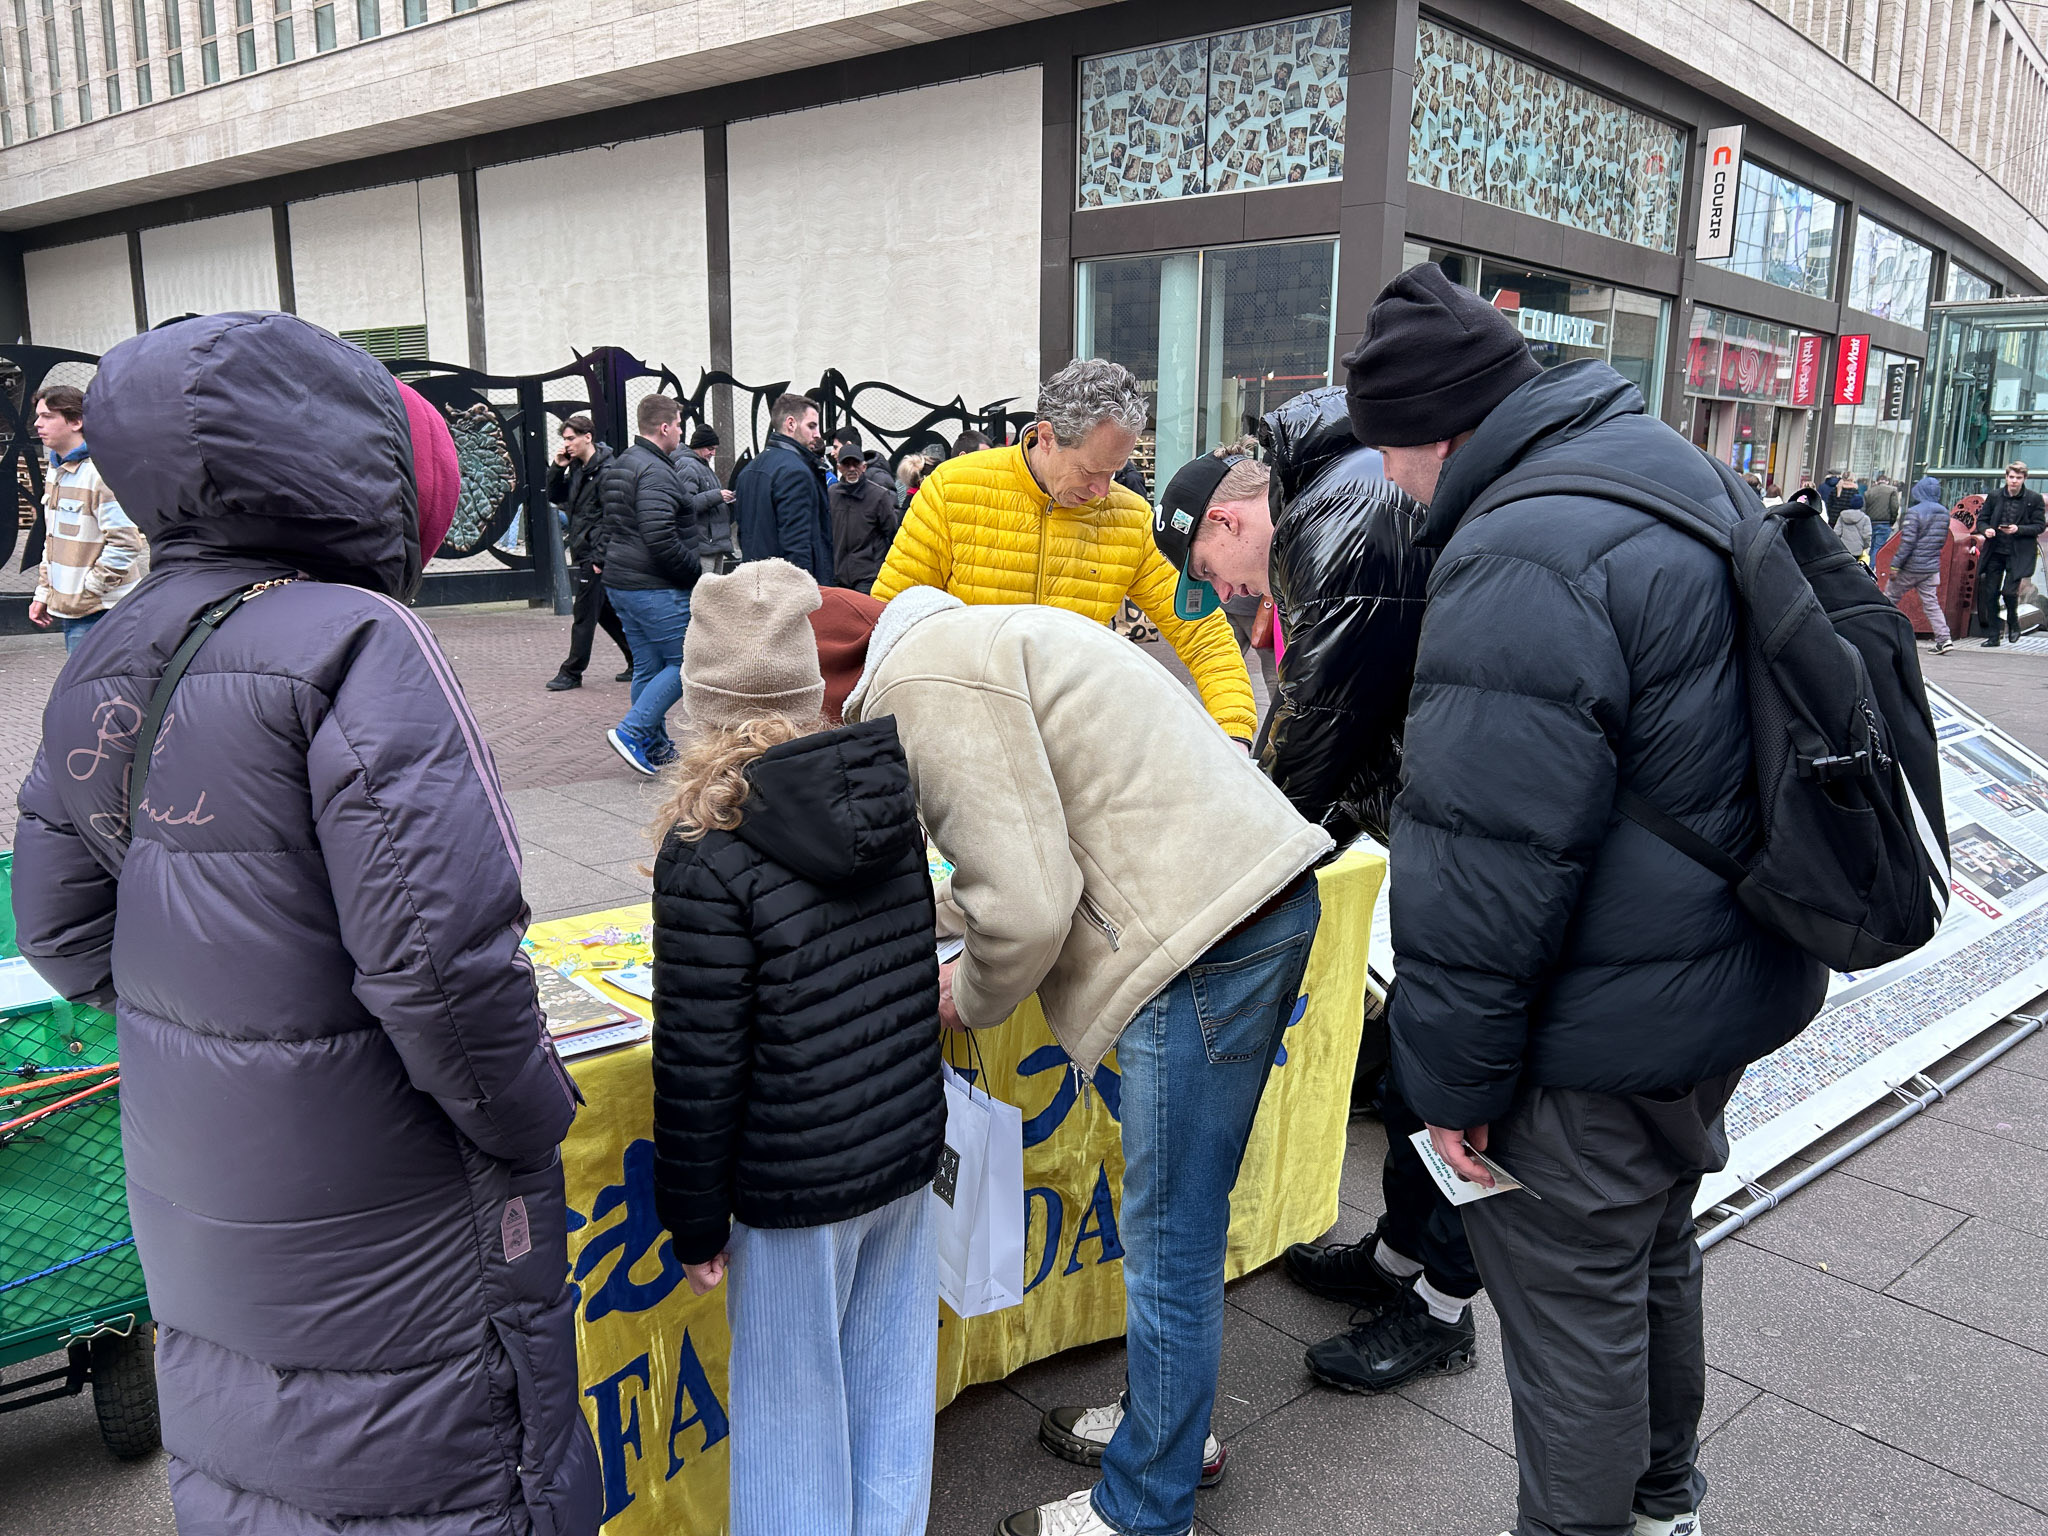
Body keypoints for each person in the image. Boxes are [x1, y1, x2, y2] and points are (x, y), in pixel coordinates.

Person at [12, 311, 600, 1536]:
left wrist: (214, 1015)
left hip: (196, 1161)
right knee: (438, 1466)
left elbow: (58, 928)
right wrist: (532, 1119)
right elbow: (446, 965)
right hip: (384, 1177)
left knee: (254, 1457)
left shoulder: (109, 644)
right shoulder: (360, 638)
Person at [1349, 264, 1828, 1536]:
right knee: (1650, 1251)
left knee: (1570, 1312)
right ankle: (1664, 1508)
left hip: (1598, 1018)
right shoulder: (1666, 465)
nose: (1385, 479)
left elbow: (1488, 858)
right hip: (1718, 969)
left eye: (1387, 450)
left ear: (1437, 430)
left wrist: (1449, 1087)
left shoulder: (1519, 546)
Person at [822, 586, 1333, 1536]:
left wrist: (964, 996)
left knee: (1171, 1234)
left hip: (1200, 940)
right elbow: (1028, 843)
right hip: (1249, 903)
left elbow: (1024, 908)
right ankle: (1166, 1433)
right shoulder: (978, 638)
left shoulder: (917, 682)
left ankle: (1146, 1507)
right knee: (1181, 1221)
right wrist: (924, 914)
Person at [1149, 392, 1484, 1395]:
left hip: (1480, 838)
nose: (1230, 596)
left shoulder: (1335, 522)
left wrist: (1236, 864)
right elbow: (1339, 729)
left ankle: (1443, 1309)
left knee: (1461, 1076)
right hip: (1443, 818)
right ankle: (1398, 1256)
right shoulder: (1340, 496)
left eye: (1214, 576)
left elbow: (1313, 734)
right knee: (1417, 1064)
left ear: (1227, 520)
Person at [649, 560, 943, 1536]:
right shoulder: (883, 795)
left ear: (700, 700)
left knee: (788, 1421)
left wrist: (694, 1221)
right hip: (901, 1152)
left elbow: (699, 1061)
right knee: (891, 1391)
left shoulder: (705, 845)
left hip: (791, 1180)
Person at [871, 358, 1256, 744]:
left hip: (1070, 742)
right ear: (1047, 437)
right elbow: (890, 618)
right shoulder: (953, 489)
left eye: (1115, 471)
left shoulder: (1130, 518)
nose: (1103, 491)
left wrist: (1234, 731)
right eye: (1090, 471)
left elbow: (1201, 630)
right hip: (960, 732)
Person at [600, 393, 704, 774]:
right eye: (678, 424)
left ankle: (655, 746)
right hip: (654, 587)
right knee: (686, 663)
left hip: (623, 582)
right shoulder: (657, 471)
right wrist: (694, 572)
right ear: (664, 427)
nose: (681, 432)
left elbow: (613, 522)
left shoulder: (625, 462)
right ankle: (632, 732)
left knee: (648, 666)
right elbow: (660, 537)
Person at [27, 382, 147, 652]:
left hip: (102, 612)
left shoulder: (100, 473)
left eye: (47, 416)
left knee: (96, 681)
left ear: (76, 421)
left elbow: (126, 542)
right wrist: (44, 593)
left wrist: (89, 590)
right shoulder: (57, 471)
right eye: (38, 416)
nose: (37, 424)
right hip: (73, 610)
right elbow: (53, 541)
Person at [545, 413, 632, 691]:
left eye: (571, 439)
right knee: (604, 611)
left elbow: (612, 517)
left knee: (583, 613)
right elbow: (556, 496)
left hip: (595, 554)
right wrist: (557, 468)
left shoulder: (607, 471)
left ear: (588, 437)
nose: (566, 444)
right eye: (564, 439)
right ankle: (639, 659)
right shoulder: (578, 468)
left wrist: (600, 557)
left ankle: (572, 672)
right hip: (585, 549)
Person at [735, 392, 833, 582]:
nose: (817, 434)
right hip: (787, 588)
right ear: (791, 424)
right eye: (811, 426)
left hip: (756, 583)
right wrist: (805, 591)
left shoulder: (749, 469)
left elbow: (744, 535)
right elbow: (798, 546)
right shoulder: (796, 472)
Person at [1971, 460, 2045, 646]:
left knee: (2009, 592)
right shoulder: (1995, 496)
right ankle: (1994, 635)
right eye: (2011, 477)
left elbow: (2039, 526)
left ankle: (2013, 621)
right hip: (1995, 551)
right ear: (2006, 477)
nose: (2014, 481)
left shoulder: (2033, 499)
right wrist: (1986, 530)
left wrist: (2018, 529)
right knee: (1990, 593)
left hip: (2018, 553)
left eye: (2018, 478)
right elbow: (1982, 520)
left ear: (2024, 479)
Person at [1888, 475, 1955, 654]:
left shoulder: (1914, 512)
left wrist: (1895, 565)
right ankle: (1944, 639)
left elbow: (1907, 542)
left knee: (1889, 599)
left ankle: (1880, 631)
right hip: (1931, 567)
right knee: (1931, 604)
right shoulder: (1944, 513)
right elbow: (1941, 540)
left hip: (1911, 567)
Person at [828, 439, 900, 593]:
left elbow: (892, 533)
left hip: (868, 575)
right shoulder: (832, 494)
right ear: (839, 467)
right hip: (838, 575)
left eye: (856, 464)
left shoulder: (879, 496)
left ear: (864, 467)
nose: (852, 468)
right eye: (847, 464)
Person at [689, 424, 740, 568]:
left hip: (712, 544)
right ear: (698, 446)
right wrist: (717, 496)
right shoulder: (688, 465)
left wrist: (725, 499)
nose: (713, 453)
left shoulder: (702, 465)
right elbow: (686, 504)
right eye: (710, 448)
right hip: (704, 545)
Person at [1863, 471, 1902, 552]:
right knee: (1878, 548)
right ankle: (1874, 560)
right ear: (1887, 481)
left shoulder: (1868, 492)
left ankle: (1871, 559)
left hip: (1871, 522)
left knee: (1872, 546)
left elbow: (1864, 508)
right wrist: (1892, 521)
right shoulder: (1892, 490)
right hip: (1885, 522)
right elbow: (1894, 507)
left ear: (1877, 482)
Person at [1836, 493, 1873, 563]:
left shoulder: (1842, 516)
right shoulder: (1865, 518)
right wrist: (1866, 546)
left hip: (1843, 548)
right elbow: (1867, 535)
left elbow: (1837, 532)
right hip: (1857, 549)